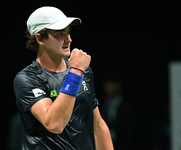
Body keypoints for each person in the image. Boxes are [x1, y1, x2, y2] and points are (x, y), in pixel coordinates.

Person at [13, 6, 113, 150]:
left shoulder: (83, 71)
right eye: (60, 33)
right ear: (40, 38)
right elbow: (54, 124)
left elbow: (97, 126)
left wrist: (77, 71)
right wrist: (76, 71)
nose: (69, 39)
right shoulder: (27, 78)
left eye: (68, 32)